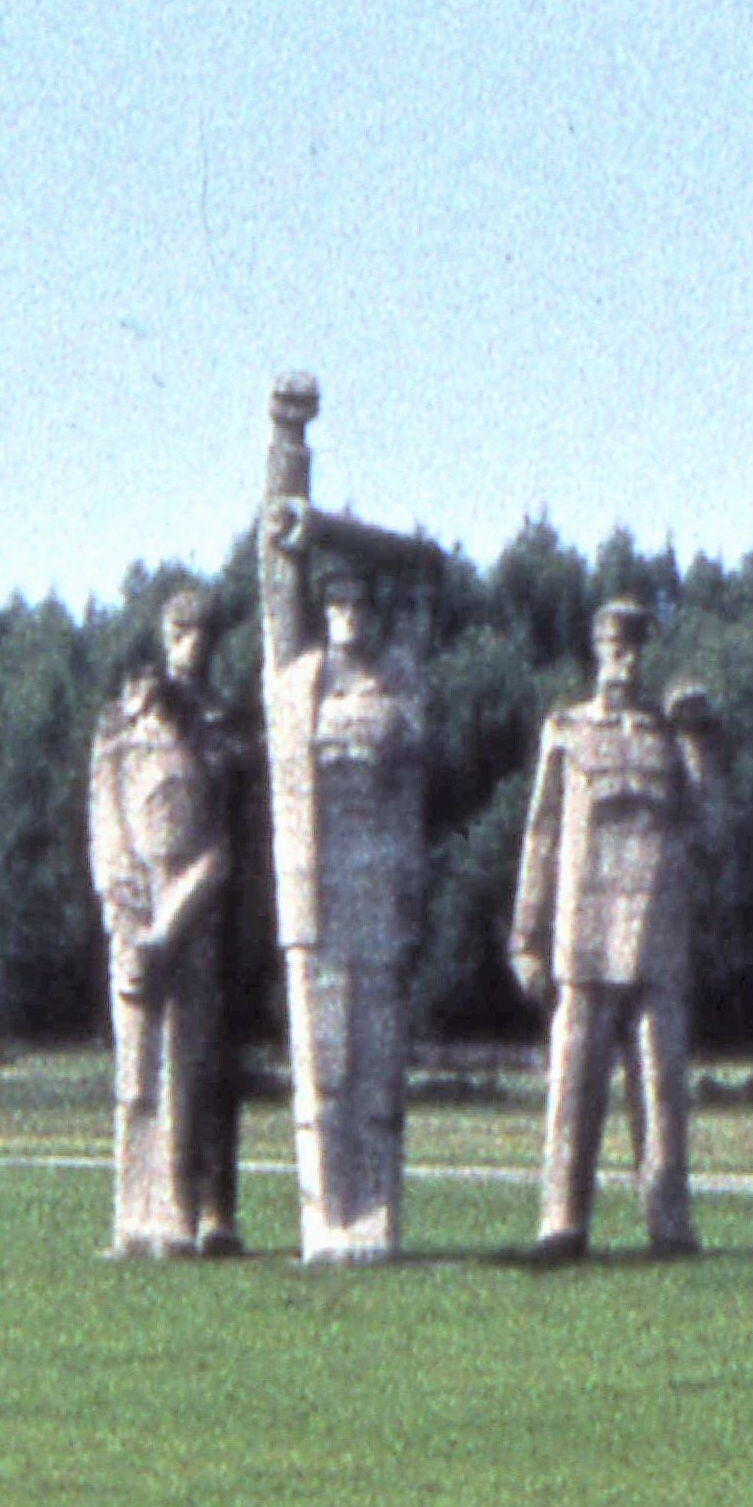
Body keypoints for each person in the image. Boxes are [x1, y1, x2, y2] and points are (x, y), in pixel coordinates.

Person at [507, 596, 721, 1257]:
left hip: (656, 935)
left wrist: (699, 741)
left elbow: (711, 832)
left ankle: (668, 1222)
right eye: (613, 645)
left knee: (662, 1088)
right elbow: (541, 836)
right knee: (573, 1088)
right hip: (585, 935)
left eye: (634, 646)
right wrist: (526, 936)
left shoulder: (668, 737)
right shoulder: (567, 730)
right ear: (596, 648)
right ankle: (561, 1219)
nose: (624, 658)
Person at [258, 494, 431, 1261]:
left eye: (360, 603)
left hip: (380, 884)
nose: (348, 615)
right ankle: (328, 1217)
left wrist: (333, 530)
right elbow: (273, 557)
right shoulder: (294, 679)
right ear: (321, 609)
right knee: (324, 1061)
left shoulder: (400, 680)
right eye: (335, 603)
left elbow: (427, 565)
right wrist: (298, 501)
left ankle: (375, 1216)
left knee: (377, 1060)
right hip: (316, 885)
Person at [86, 585, 252, 1257]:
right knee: (140, 1071)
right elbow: (107, 821)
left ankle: (204, 1209)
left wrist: (183, 912)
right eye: (182, 632)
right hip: (141, 905)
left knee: (201, 1067)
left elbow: (229, 832)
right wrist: (125, 908)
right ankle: (140, 1213)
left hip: (209, 907)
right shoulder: (120, 725)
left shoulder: (222, 723)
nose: (193, 644)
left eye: (203, 633)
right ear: (165, 633)